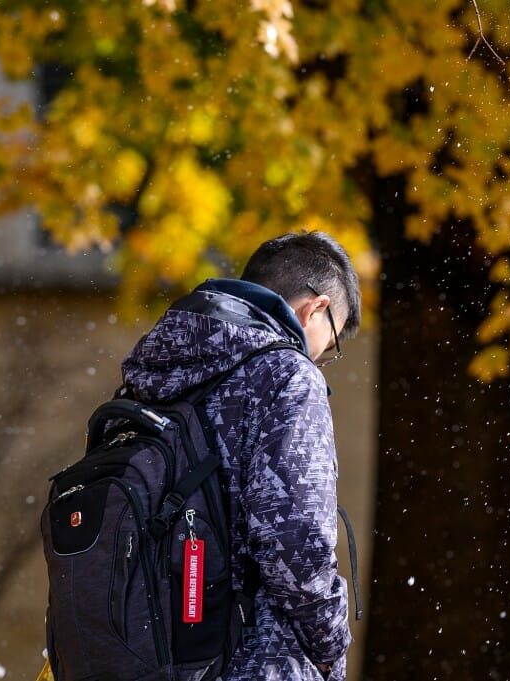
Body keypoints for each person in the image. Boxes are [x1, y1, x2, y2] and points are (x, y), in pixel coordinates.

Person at [119, 231, 360, 680]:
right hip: (250, 659)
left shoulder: (151, 375)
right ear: (317, 309)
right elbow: (293, 539)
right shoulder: (286, 374)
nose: (320, 359)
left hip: (145, 654)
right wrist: (331, 644)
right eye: (329, 346)